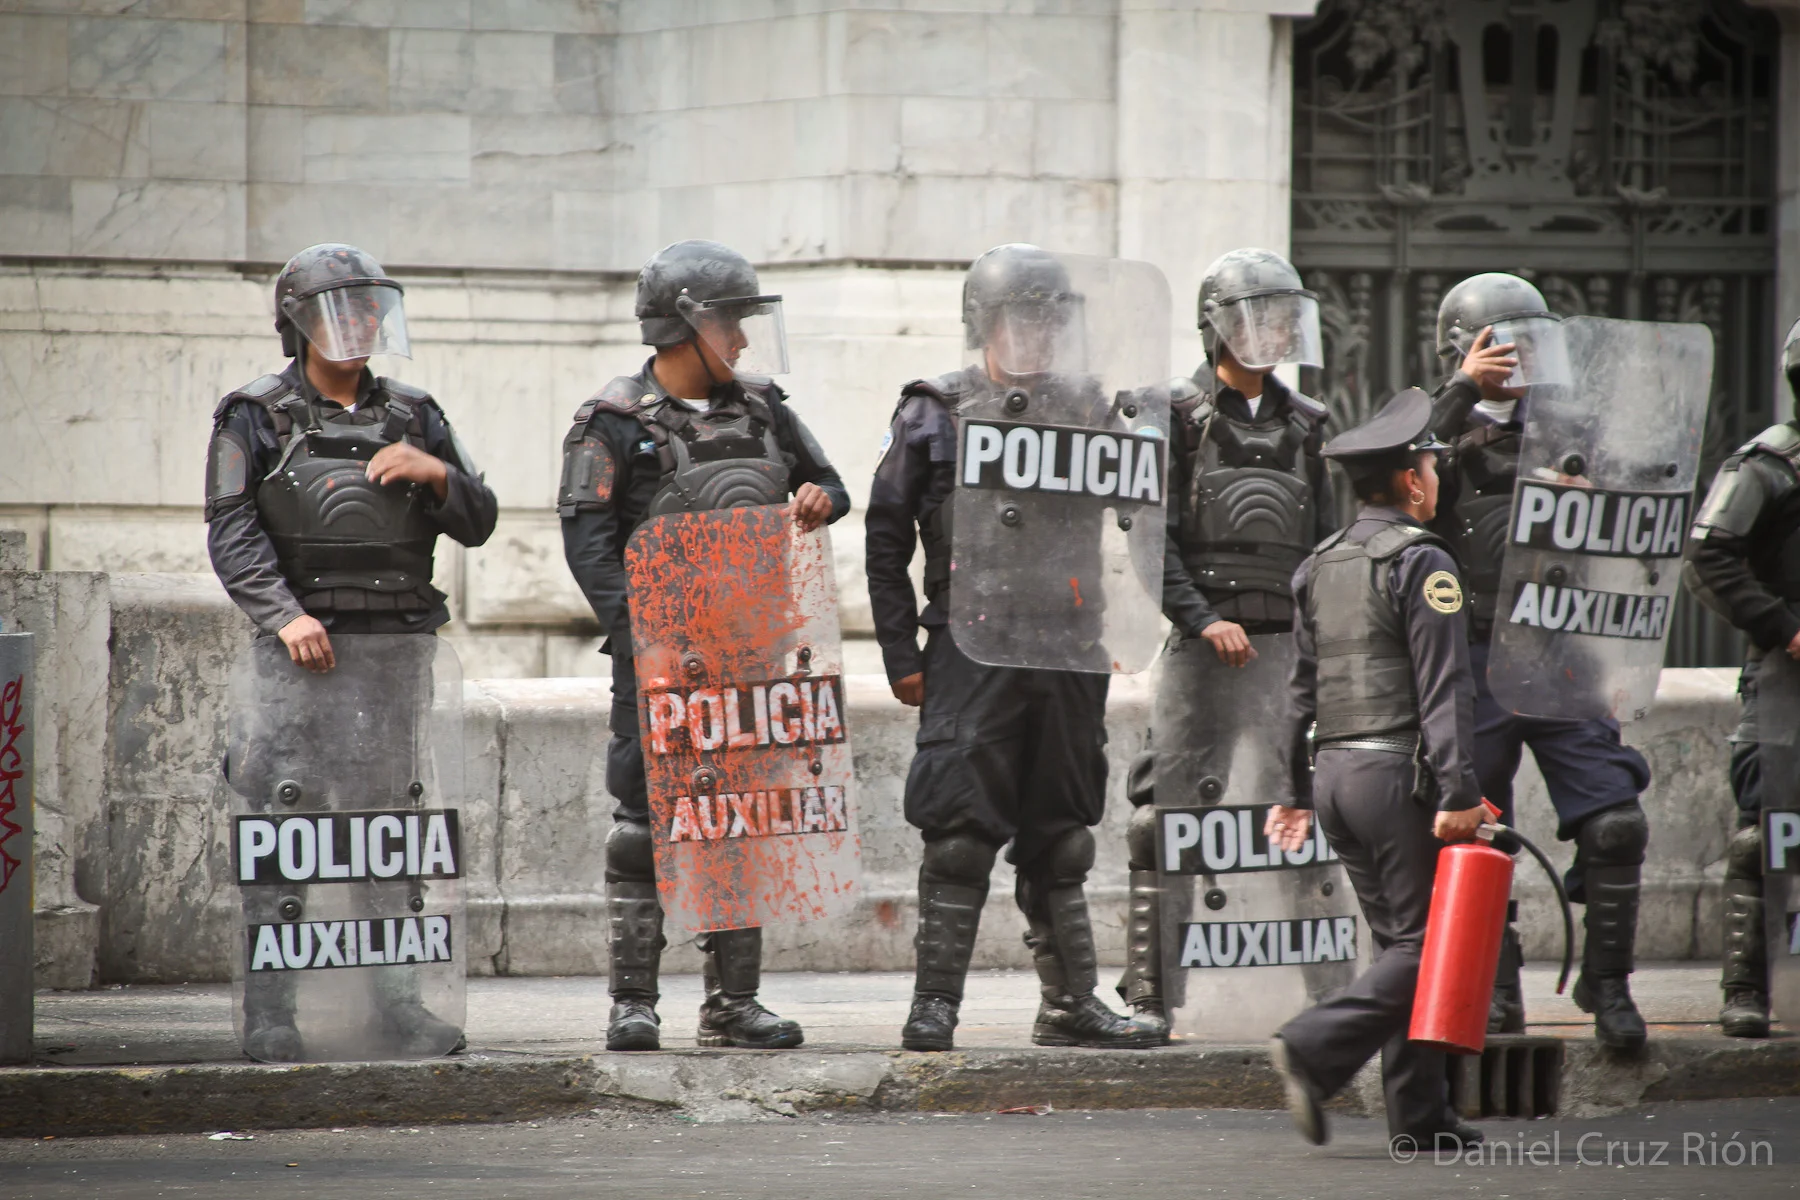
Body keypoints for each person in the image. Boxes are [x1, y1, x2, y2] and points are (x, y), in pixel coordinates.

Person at [205, 242, 497, 1061]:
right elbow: (232, 529)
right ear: (298, 321)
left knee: (389, 834)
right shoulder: (253, 415)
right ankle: (272, 1012)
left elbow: (479, 519)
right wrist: (282, 613)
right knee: (283, 832)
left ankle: (399, 1005)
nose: (360, 324)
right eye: (342, 309)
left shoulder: (416, 413)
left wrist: (435, 472)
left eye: (370, 309)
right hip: (297, 658)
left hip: (394, 656)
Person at [558, 239, 850, 1053]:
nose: (745, 340)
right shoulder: (611, 424)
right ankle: (633, 1002)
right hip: (660, 661)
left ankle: (732, 1003)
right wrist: (643, 643)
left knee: (742, 820)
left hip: (751, 655)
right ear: (685, 326)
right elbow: (590, 550)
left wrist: (822, 497)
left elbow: (830, 483)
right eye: (731, 322)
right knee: (645, 826)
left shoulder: (765, 409)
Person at [865, 243, 1157, 1053]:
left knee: (1061, 835)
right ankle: (934, 1007)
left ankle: (1069, 1006)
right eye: (1019, 316)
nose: (1036, 332)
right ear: (984, 324)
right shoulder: (935, 411)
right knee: (958, 836)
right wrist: (902, 657)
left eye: (1049, 316)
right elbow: (885, 539)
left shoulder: (1094, 410)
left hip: (1067, 648)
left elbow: (1145, 518)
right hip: (973, 648)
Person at [1427, 273, 1652, 1049]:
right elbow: (1393, 481)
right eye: (1504, 343)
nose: (1521, 359)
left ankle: (1609, 983)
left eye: (1533, 342)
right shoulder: (1433, 424)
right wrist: (1458, 391)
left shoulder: (1573, 427)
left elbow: (1627, 546)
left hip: (1562, 649)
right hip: (1475, 652)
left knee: (1616, 822)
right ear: (1468, 348)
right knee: (1474, 829)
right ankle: (1493, 987)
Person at [1117, 248, 1336, 1041]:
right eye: (1261, 315)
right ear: (1220, 325)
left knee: (1298, 816)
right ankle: (1151, 994)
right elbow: (1147, 535)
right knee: (1165, 822)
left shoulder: (1311, 425)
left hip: (1287, 655)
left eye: (1285, 316)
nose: (1275, 330)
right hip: (1203, 651)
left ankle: (1328, 991)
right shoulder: (1170, 415)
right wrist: (1202, 616)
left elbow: (1329, 542)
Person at [1266, 387, 1485, 1151]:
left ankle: (1421, 1119)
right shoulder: (1423, 561)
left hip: (1335, 781)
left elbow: (1297, 693)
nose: (1433, 475)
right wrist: (1461, 790)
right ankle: (1313, 1048)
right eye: (1429, 461)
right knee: (1425, 948)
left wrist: (1294, 793)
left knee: (1402, 946)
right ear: (1413, 480)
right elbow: (1444, 688)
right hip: (1398, 783)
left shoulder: (1319, 565)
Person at [1681, 316, 1800, 1039]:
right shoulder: (1769, 466)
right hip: (1786, 672)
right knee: (1764, 829)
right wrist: (1783, 628)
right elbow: (1708, 558)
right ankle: (1746, 985)